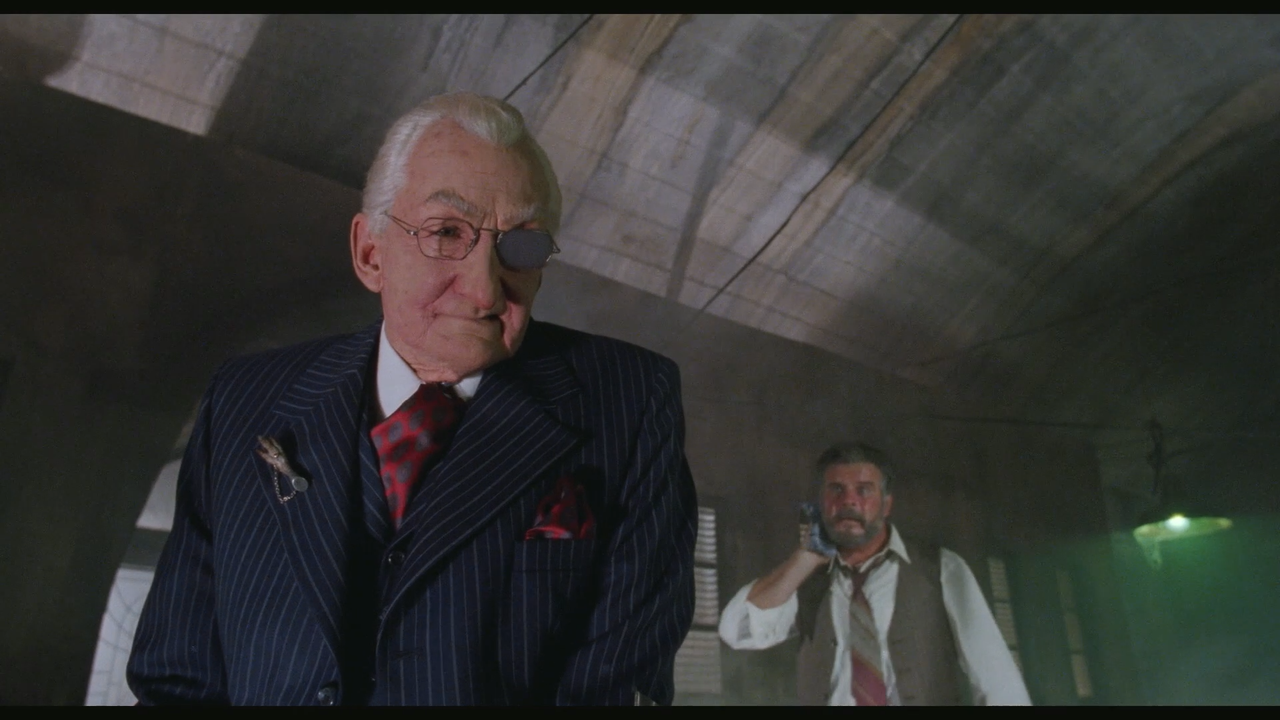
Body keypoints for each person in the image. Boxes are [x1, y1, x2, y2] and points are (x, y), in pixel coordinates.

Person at [127, 92, 697, 706]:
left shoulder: (629, 401)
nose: (485, 290)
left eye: (522, 246)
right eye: (447, 232)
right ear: (370, 253)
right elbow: (177, 681)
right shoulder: (246, 400)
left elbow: (615, 686)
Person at [718, 442, 1030, 706]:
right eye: (836, 490)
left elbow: (999, 682)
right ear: (821, 504)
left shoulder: (941, 569)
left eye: (864, 490)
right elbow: (737, 630)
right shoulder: (806, 580)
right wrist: (804, 558)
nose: (848, 501)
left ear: (886, 505)